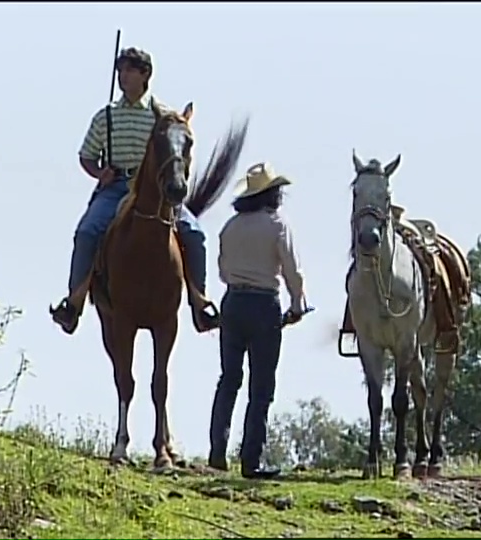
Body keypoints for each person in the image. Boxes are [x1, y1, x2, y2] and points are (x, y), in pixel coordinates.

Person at [49, 47, 219, 335]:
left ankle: (200, 303)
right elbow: (87, 155)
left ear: (145, 74)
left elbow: (177, 149)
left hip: (154, 190)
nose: (123, 76)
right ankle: (74, 302)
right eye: (120, 71)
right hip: (116, 186)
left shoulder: (162, 116)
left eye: (129, 70)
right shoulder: (106, 116)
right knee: (87, 231)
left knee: (194, 234)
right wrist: (99, 172)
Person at [208, 162, 307, 479]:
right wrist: (297, 304)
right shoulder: (277, 225)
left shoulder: (230, 227)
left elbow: (223, 271)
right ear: (271, 195)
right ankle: (251, 460)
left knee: (229, 379)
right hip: (264, 304)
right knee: (261, 386)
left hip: (233, 302)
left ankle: (217, 452)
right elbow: (292, 270)